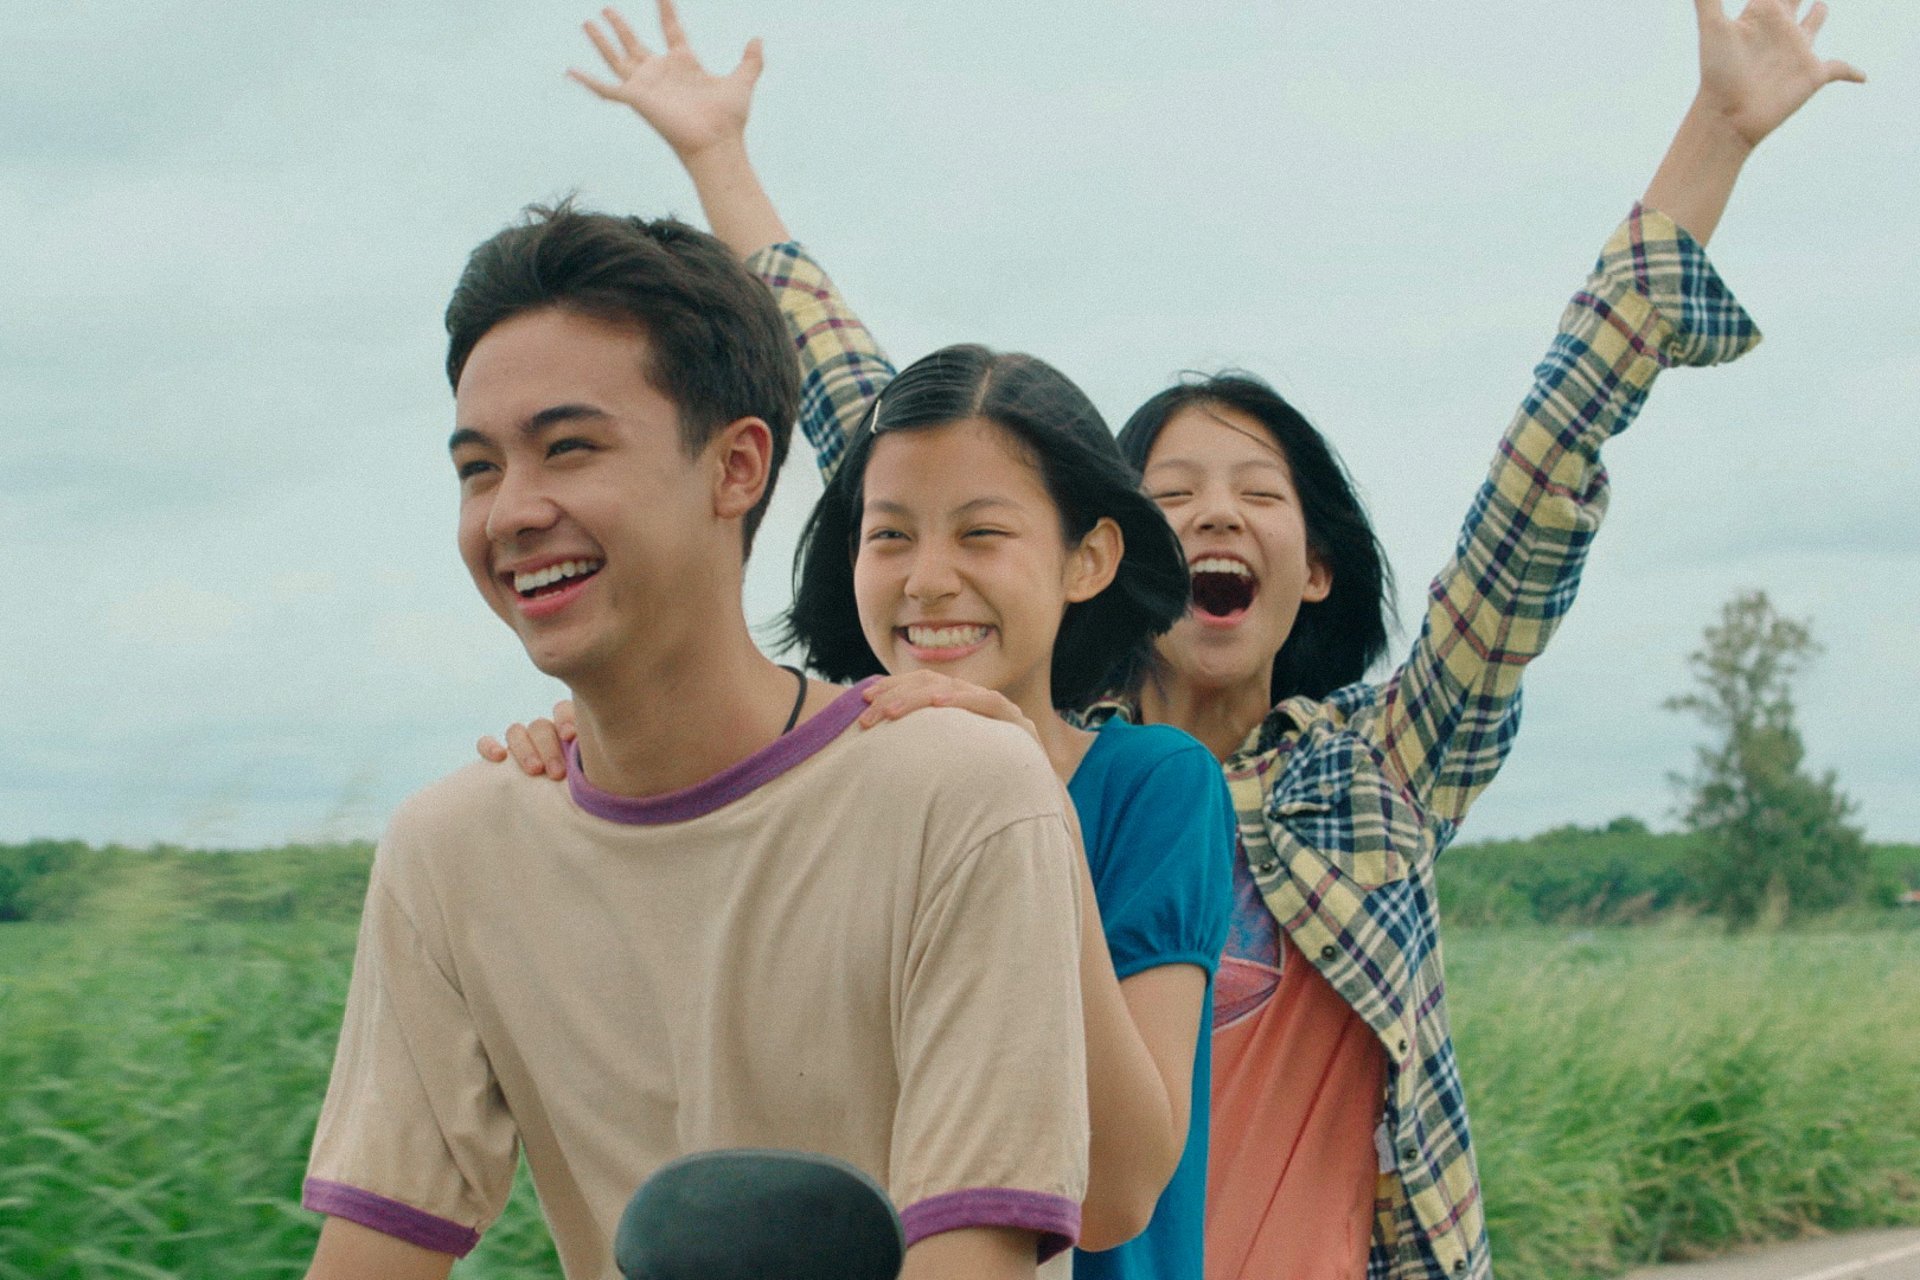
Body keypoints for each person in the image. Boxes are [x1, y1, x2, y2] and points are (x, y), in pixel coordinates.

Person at [503, 2, 1865, 1276]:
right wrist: (725, 164)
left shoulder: (1383, 777)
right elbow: (883, 439)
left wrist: (1719, 137)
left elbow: (1542, 468)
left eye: (1258, 493)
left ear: (1316, 565)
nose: (1217, 513)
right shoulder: (984, 770)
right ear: (1110, 560)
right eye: (1175, 496)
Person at [300, 203, 1094, 1280]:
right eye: (478, 468)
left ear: (736, 468)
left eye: (569, 448)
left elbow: (976, 1254)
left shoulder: (957, 791)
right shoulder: (451, 851)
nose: (513, 512)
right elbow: (370, 1253)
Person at [491, 163, 1238, 1280]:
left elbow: (1126, 1187)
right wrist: (597, 765)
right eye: (889, 535)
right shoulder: (817, 775)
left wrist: (1018, 794)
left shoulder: (1154, 784)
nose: (927, 579)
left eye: (982, 535)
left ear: (1088, 556)